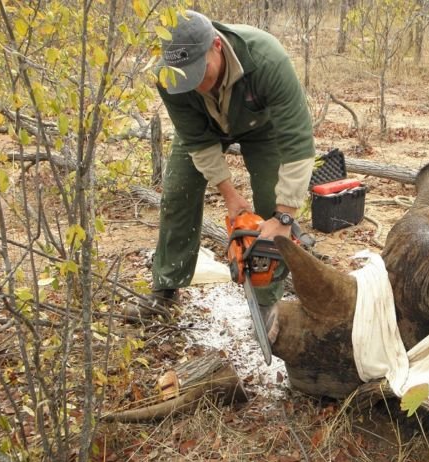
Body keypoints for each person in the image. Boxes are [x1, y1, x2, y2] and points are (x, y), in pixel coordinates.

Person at [124, 10, 314, 321]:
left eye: (201, 73)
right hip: (204, 129)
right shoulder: (168, 77)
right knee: (177, 194)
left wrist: (284, 214)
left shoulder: (266, 59)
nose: (195, 84)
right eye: (185, 77)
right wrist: (229, 195)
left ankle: (267, 301)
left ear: (216, 45)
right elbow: (196, 141)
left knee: (272, 200)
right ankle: (166, 288)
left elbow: (298, 143)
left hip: (261, 128)